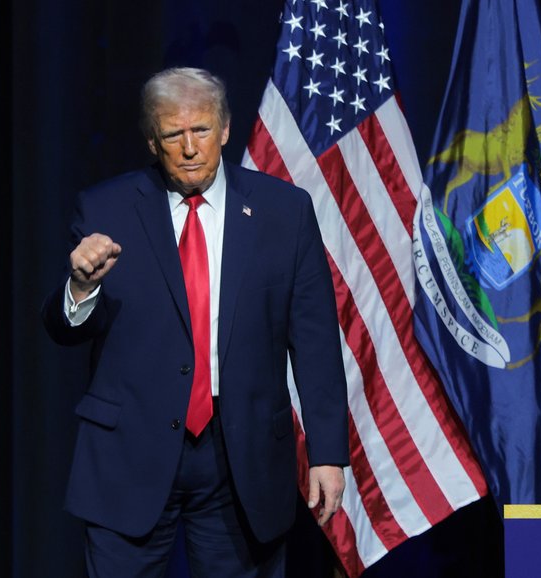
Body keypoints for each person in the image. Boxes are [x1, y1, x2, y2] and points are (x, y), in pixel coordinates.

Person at [42, 67, 349, 577]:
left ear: (224, 129)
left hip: (241, 455)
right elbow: (63, 330)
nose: (189, 148)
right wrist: (80, 288)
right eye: (173, 135)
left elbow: (315, 341)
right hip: (129, 451)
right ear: (151, 141)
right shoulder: (106, 208)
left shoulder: (285, 212)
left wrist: (327, 453)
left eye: (201, 130)